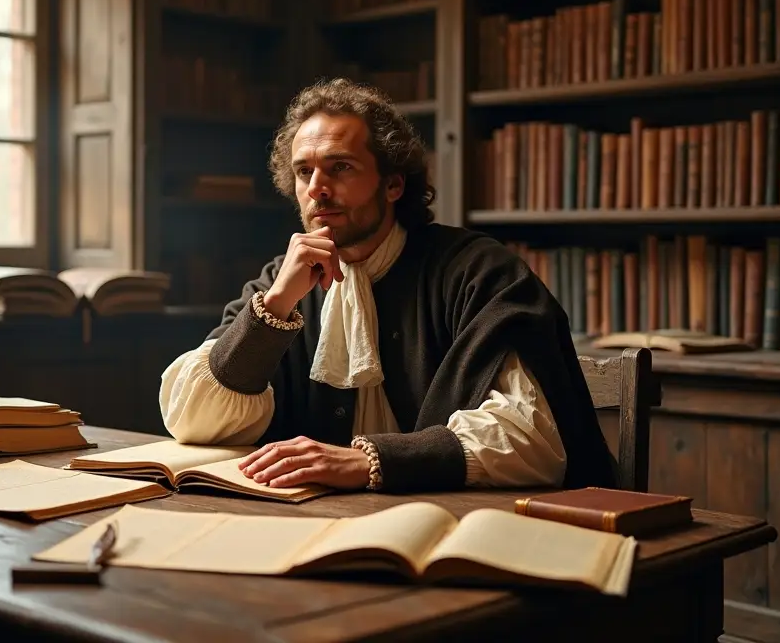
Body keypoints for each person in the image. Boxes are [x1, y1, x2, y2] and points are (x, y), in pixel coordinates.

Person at [158, 78, 616, 494]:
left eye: (340, 168)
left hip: (465, 527)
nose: (317, 188)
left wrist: (368, 461)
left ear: (394, 184)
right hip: (318, 525)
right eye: (304, 172)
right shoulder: (281, 282)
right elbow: (192, 420)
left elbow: (527, 438)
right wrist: (275, 307)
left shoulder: (477, 273)